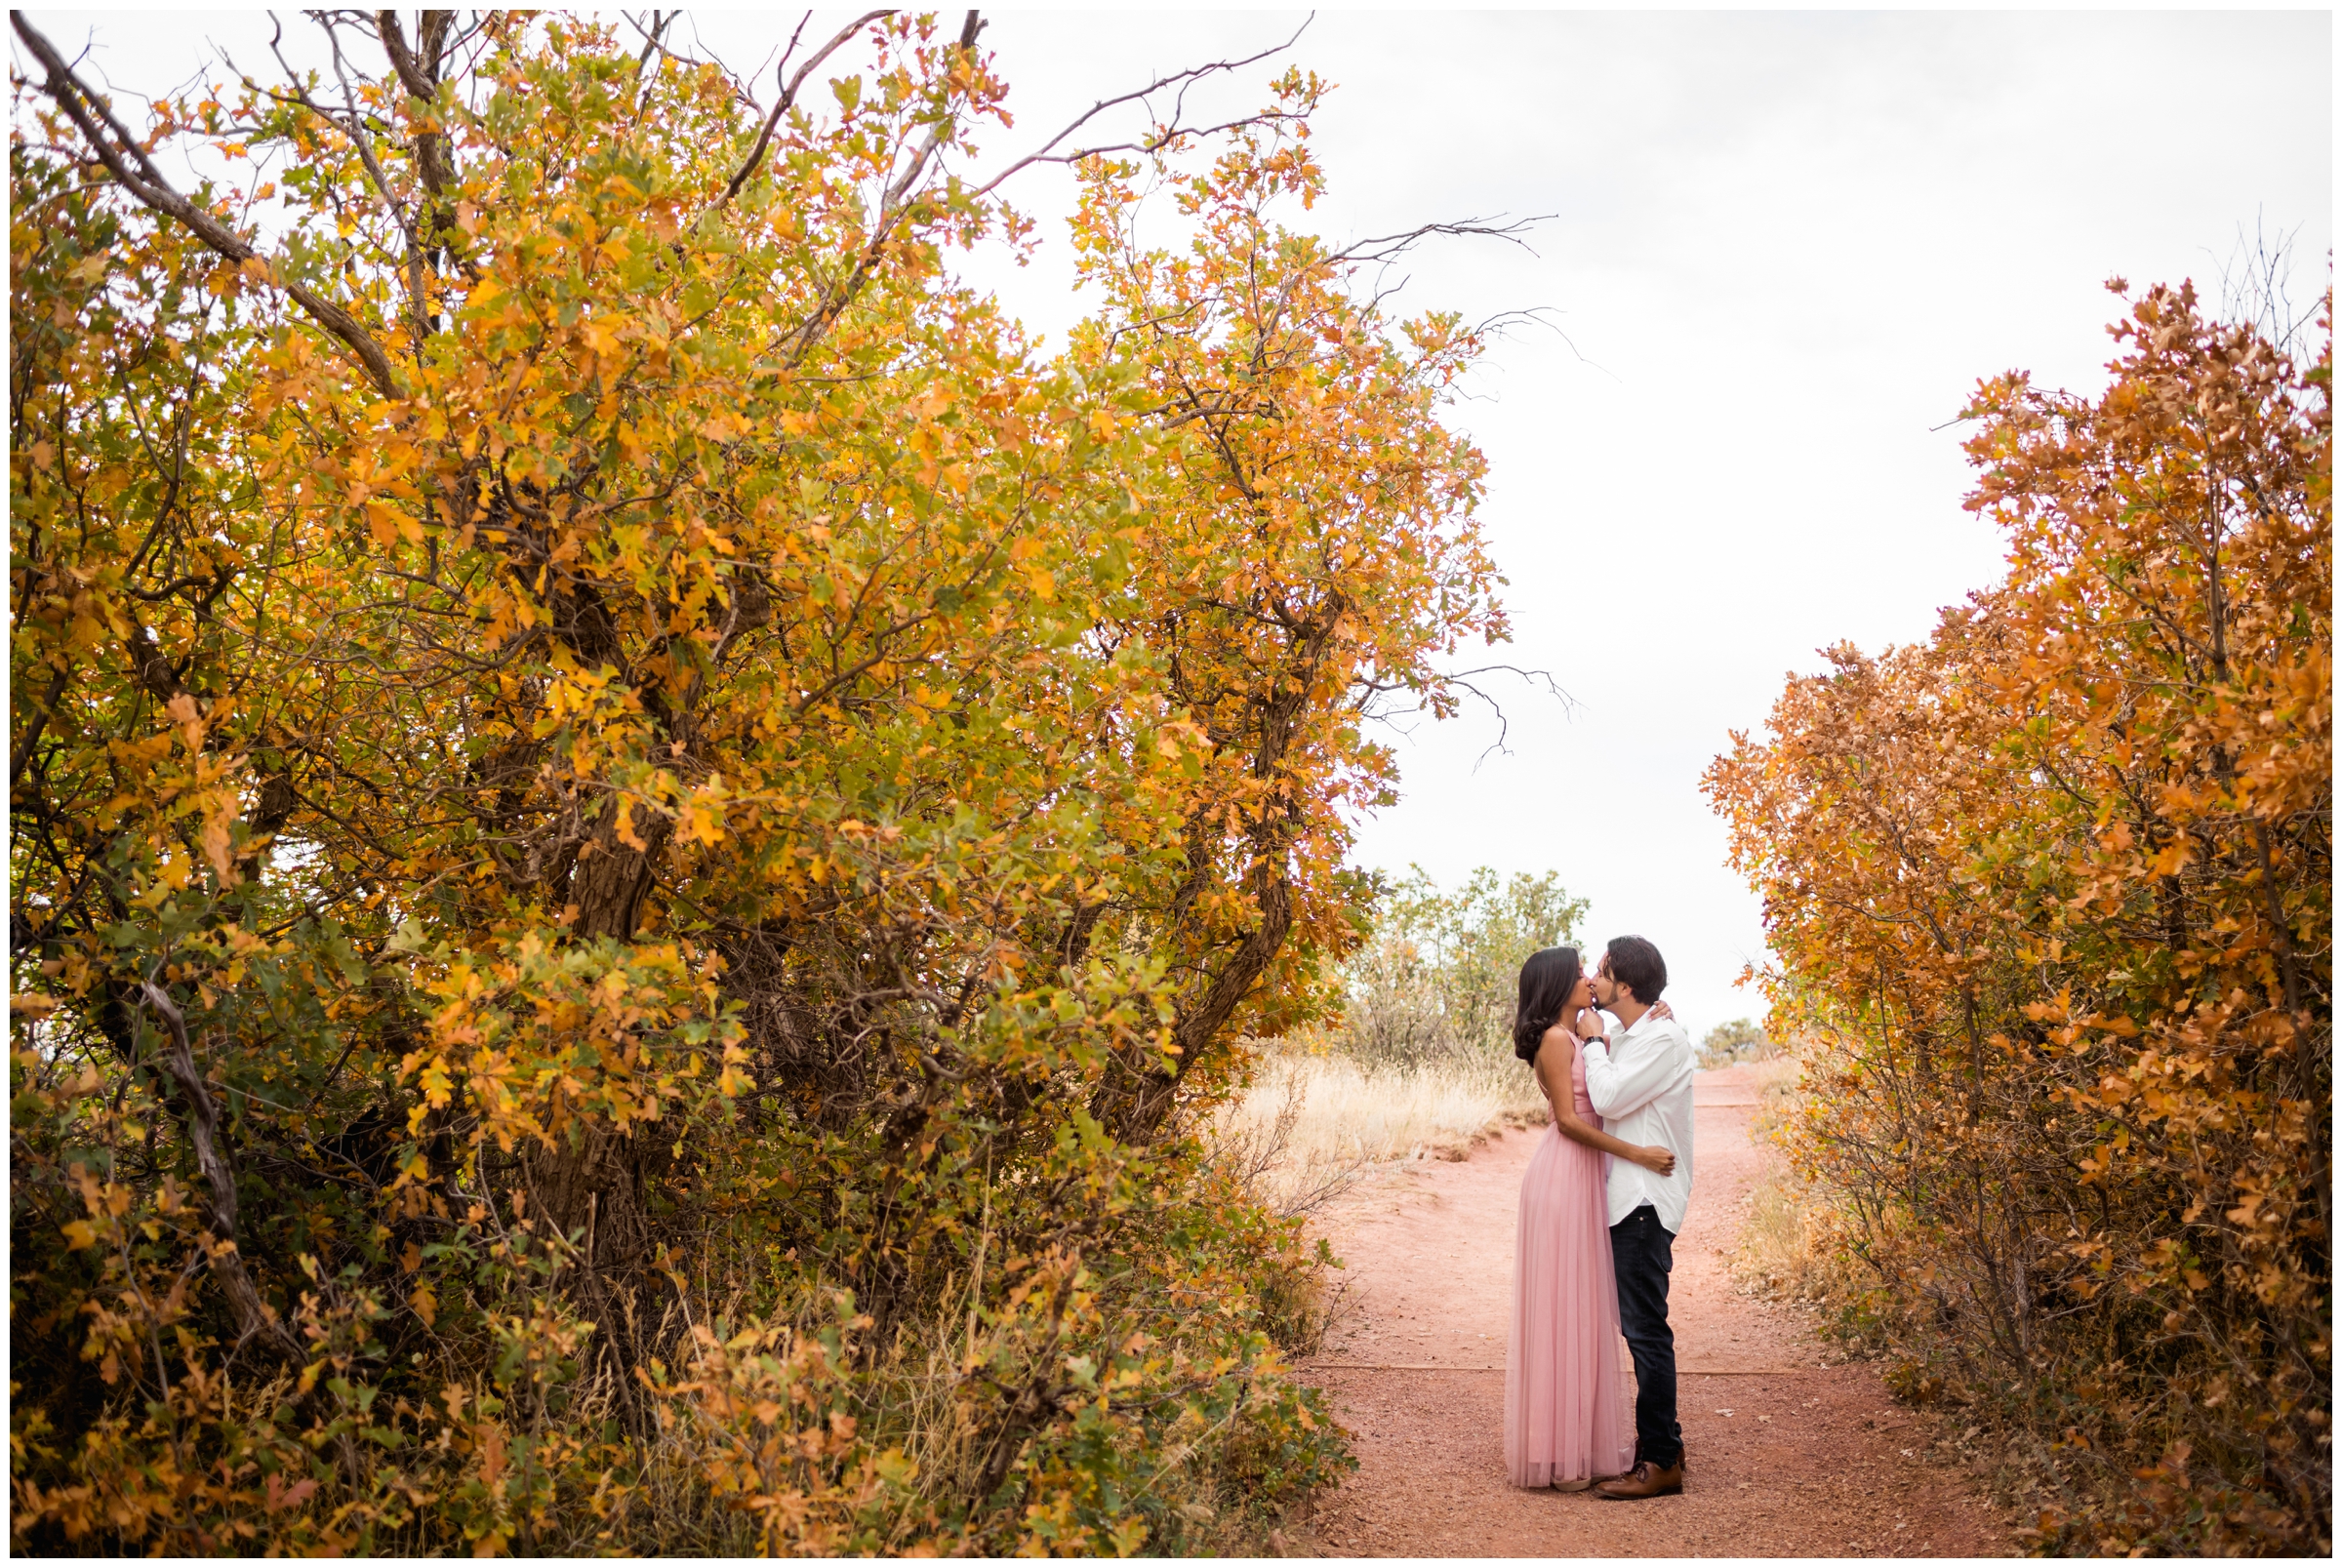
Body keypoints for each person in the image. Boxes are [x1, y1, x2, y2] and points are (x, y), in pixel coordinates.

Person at [1504, 945, 1679, 1492]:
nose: (1588, 979)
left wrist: (1655, 1014)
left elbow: (1619, 1062)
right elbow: (1568, 1122)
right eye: (1580, 972)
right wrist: (1640, 1155)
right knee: (1563, 1311)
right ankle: (1559, 1451)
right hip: (1565, 1175)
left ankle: (1577, 1442)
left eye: (1593, 971)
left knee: (1578, 1310)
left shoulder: (1580, 1036)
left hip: (1587, 1180)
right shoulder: (1557, 1041)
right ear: (1558, 985)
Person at [1576, 935, 1696, 1500]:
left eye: (1601, 972)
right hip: (1626, 1198)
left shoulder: (1663, 1040)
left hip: (1645, 1200)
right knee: (1640, 1326)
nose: (1593, 980)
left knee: (1645, 1329)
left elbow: (1609, 1099)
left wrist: (1596, 1041)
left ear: (1624, 985)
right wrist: (1602, 1031)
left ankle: (1662, 1462)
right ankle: (1660, 1443)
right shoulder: (1638, 1033)